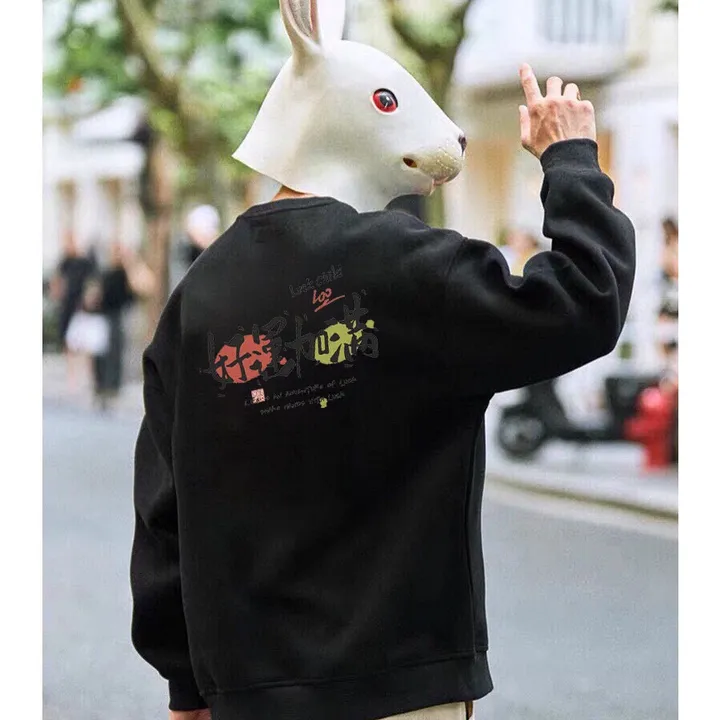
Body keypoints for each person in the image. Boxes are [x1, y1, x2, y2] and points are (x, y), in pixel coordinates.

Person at [130, 3, 635, 720]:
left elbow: (163, 508)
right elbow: (584, 301)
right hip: (402, 685)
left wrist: (186, 683)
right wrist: (571, 160)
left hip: (249, 694)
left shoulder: (197, 298)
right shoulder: (410, 268)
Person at [92, 241, 156, 410]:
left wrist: (130, 262)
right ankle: (101, 388)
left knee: (117, 353)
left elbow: (146, 287)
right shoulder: (106, 271)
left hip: (122, 316)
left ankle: (113, 389)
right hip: (105, 317)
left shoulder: (130, 270)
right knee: (102, 355)